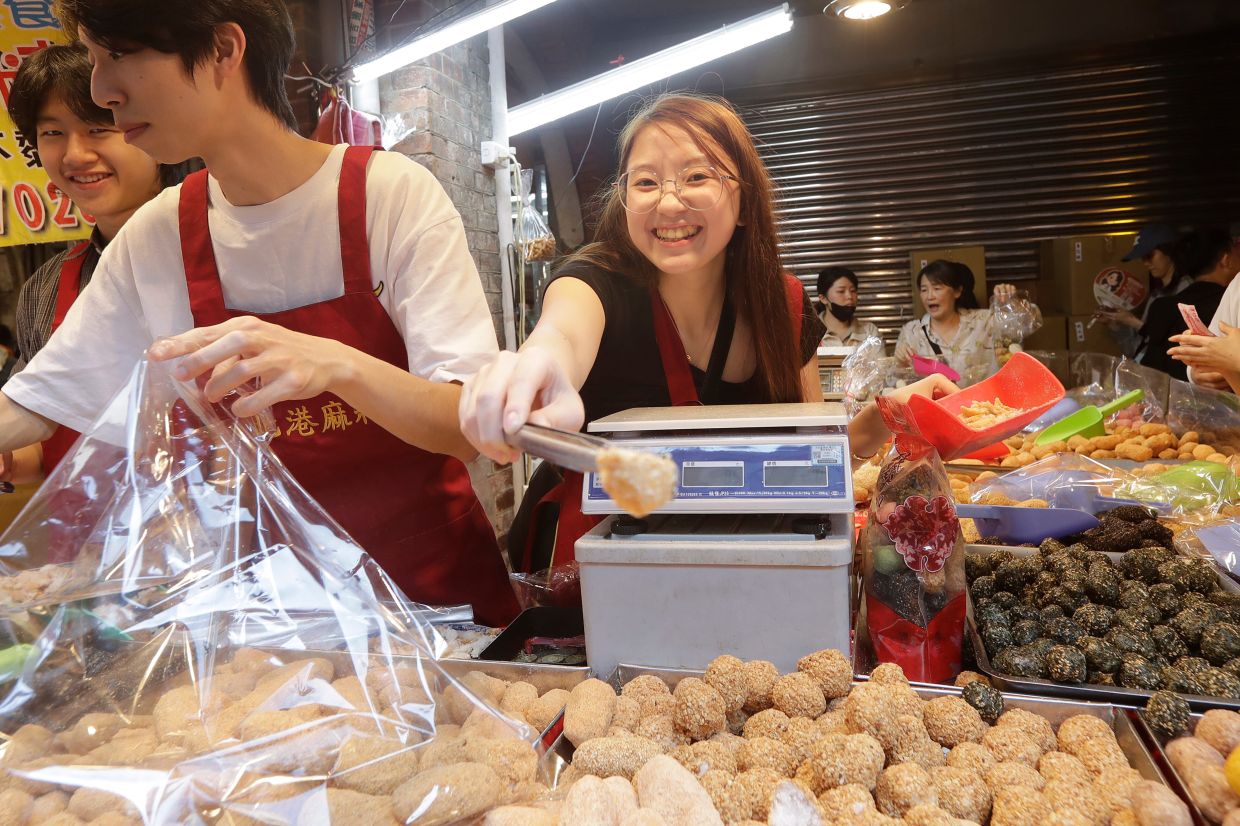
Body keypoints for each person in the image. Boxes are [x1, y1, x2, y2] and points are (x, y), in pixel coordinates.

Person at [0, 0, 518, 625]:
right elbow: (33, 404)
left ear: (223, 50)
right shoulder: (157, 235)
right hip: (270, 626)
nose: (102, 89)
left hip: (433, 602)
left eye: (119, 56)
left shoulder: (389, 194)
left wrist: (336, 364)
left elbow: (464, 429)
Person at [459, 93, 953, 571]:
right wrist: (540, 367)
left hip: (752, 566)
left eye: (696, 176)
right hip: (601, 571)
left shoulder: (781, 305)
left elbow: (810, 458)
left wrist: (895, 413)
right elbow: (560, 336)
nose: (669, 203)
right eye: (646, 182)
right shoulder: (593, 283)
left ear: (744, 197)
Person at [1, 42, 174, 486]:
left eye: (99, 128)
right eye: (52, 133)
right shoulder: (46, 287)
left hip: (232, 530)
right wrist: (9, 462)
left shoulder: (220, 246)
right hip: (93, 541)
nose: (75, 155)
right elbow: (51, 436)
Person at [892, 260, 1020, 383]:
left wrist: (1009, 302)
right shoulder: (911, 332)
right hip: (933, 405)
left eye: (937, 288)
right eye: (924, 290)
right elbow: (893, 385)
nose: (929, 296)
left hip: (981, 404)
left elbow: (1023, 326)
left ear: (957, 291)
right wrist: (900, 363)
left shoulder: (984, 321)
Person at [1097, 223, 1189, 359]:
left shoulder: (1187, 291)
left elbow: (1175, 345)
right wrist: (1114, 324)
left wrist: (1133, 321)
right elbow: (1137, 350)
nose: (1145, 263)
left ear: (1169, 251)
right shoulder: (1156, 295)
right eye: (1142, 257)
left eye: (1149, 255)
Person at [816, 266, 882, 349]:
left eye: (853, 290)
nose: (849, 296)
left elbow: (879, 361)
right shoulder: (810, 334)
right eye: (841, 291)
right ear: (823, 298)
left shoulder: (869, 332)